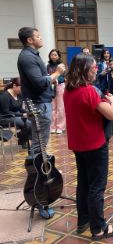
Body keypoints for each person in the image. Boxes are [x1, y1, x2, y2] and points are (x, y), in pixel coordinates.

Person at [64, 53, 113, 240]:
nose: (97, 69)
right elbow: (112, 115)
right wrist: (111, 101)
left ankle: (83, 221)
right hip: (94, 144)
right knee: (97, 187)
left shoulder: (69, 89)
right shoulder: (88, 91)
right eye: (94, 67)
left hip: (78, 144)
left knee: (84, 184)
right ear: (84, 69)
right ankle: (98, 228)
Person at [17, 27, 65, 219]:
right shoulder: (28, 57)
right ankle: (40, 197)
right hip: (38, 106)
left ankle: (40, 195)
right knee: (38, 150)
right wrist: (57, 73)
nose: (41, 37)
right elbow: (38, 83)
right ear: (29, 40)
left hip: (41, 104)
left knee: (40, 147)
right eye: (38, 36)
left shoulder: (32, 55)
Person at [0, 78, 31, 148]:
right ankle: (22, 138)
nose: (22, 90)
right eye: (21, 88)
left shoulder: (19, 94)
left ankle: (21, 138)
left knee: (33, 120)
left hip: (15, 116)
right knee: (28, 123)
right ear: (14, 86)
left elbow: (20, 108)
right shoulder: (4, 96)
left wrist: (28, 112)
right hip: (5, 117)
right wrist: (22, 114)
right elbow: (5, 112)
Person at [47, 49, 66, 134]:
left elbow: (64, 77)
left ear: (58, 56)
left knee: (60, 107)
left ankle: (60, 127)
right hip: (50, 87)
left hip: (60, 86)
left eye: (55, 55)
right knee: (52, 107)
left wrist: (56, 79)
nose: (53, 56)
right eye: (52, 55)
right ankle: (52, 126)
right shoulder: (48, 65)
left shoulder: (62, 65)